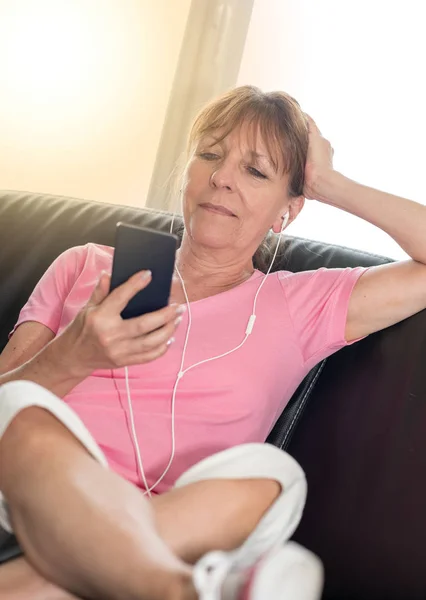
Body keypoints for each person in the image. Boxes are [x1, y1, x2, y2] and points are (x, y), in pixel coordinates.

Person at [1, 85, 426, 600]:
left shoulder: (301, 303)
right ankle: (177, 589)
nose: (221, 178)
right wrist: (73, 356)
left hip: (184, 517)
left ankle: (120, 571)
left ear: (287, 211)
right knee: (20, 409)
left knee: (274, 476)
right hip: (33, 497)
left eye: (255, 171)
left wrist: (331, 183)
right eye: (210, 155)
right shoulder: (85, 265)